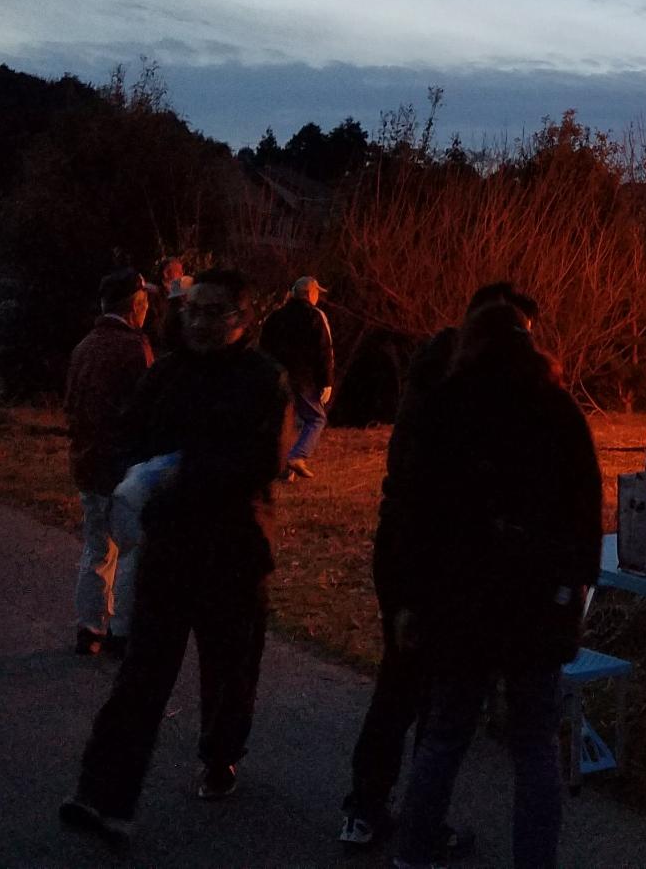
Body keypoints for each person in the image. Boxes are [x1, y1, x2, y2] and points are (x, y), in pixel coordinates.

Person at [61, 267, 290, 848]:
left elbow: (262, 459)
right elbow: (130, 433)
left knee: (229, 667)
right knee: (142, 672)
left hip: (235, 548)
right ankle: (104, 794)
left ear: (243, 319)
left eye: (216, 312)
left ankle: (220, 756)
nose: (202, 322)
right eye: (194, 310)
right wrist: (140, 474)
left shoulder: (265, 380)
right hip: (170, 545)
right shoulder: (166, 373)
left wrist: (183, 472)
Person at [386, 285, 602, 869]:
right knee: (534, 746)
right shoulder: (556, 409)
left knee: (447, 732)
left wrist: (410, 596)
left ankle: (413, 850)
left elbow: (416, 509)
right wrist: (577, 585)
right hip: (534, 601)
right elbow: (586, 508)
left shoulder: (446, 405)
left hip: (460, 600)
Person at [337, 326, 471, 855]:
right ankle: (418, 824)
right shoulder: (443, 427)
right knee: (425, 696)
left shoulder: (419, 414)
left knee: (397, 689)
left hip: (399, 562)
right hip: (426, 570)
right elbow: (435, 511)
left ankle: (366, 809)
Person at [64, 270, 156, 658]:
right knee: (132, 549)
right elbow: (146, 410)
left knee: (97, 549)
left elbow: (70, 405)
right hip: (122, 469)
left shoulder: (85, 346)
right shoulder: (135, 348)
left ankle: (90, 627)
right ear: (135, 305)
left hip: (88, 463)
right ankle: (121, 631)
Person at [258, 275, 334, 481]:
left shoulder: (276, 317)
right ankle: (297, 457)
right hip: (302, 379)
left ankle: (285, 471)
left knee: (286, 422)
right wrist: (326, 382)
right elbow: (324, 350)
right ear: (311, 294)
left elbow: (263, 348)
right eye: (317, 292)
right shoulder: (315, 316)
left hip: (277, 377)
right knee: (316, 418)